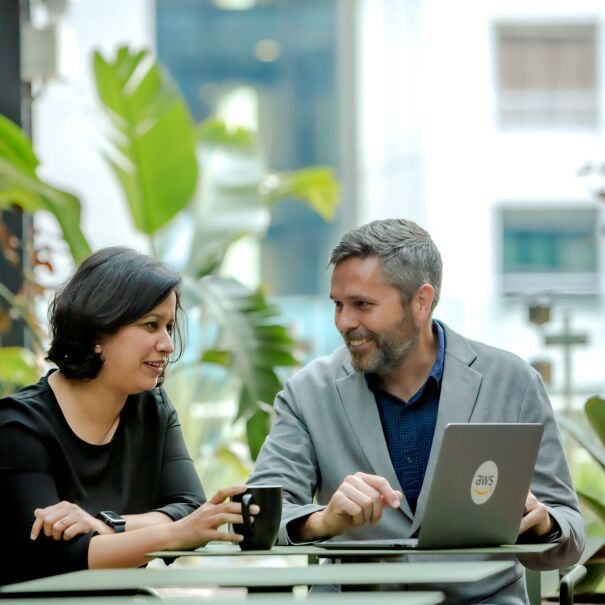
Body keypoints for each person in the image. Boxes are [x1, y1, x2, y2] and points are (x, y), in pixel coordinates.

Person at [248, 219, 585, 604]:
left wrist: (541, 522)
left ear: (422, 301)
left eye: (363, 305)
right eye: (338, 305)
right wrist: (322, 520)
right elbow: (259, 516)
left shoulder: (513, 383)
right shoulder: (307, 393)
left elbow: (570, 536)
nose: (344, 322)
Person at [0, 247, 253, 585]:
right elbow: (56, 555)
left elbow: (190, 507)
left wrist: (105, 525)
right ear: (97, 333)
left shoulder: (153, 409)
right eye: (151, 325)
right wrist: (173, 535)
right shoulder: (19, 425)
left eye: (168, 327)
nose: (167, 344)